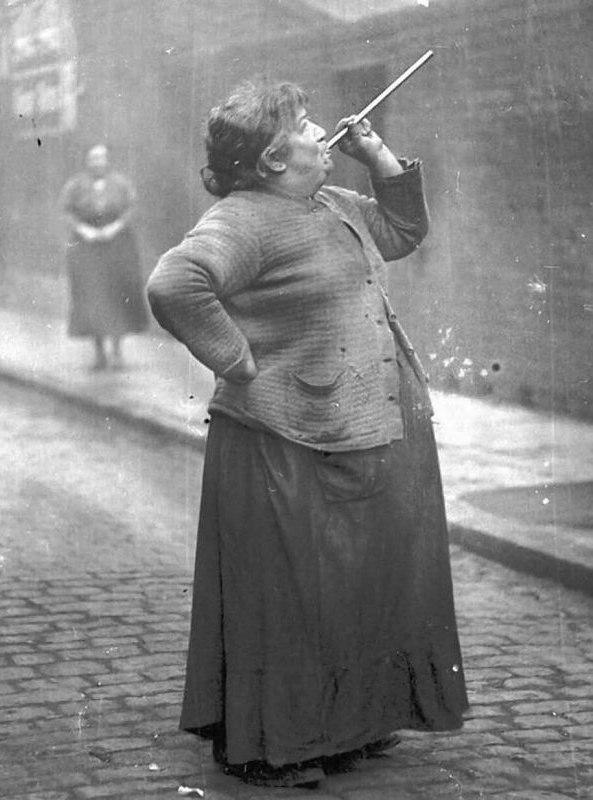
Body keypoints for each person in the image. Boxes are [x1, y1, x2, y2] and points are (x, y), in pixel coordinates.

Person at [147, 80, 468, 789]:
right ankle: (276, 744)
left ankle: (348, 725)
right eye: (305, 125)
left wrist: (376, 154)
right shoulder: (243, 222)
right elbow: (175, 285)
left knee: (360, 582)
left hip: (366, 420)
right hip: (283, 438)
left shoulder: (332, 202)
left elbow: (406, 232)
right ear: (268, 159)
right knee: (291, 595)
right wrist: (239, 361)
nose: (326, 131)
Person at [59, 143, 148, 370]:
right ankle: (99, 354)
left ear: (107, 160)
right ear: (87, 161)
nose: (97, 163)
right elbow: (66, 211)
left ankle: (117, 351)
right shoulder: (76, 185)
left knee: (118, 295)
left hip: (116, 245)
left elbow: (132, 208)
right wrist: (83, 230)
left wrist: (115, 227)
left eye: (101, 158)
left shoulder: (121, 184)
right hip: (87, 247)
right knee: (92, 297)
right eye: (93, 158)